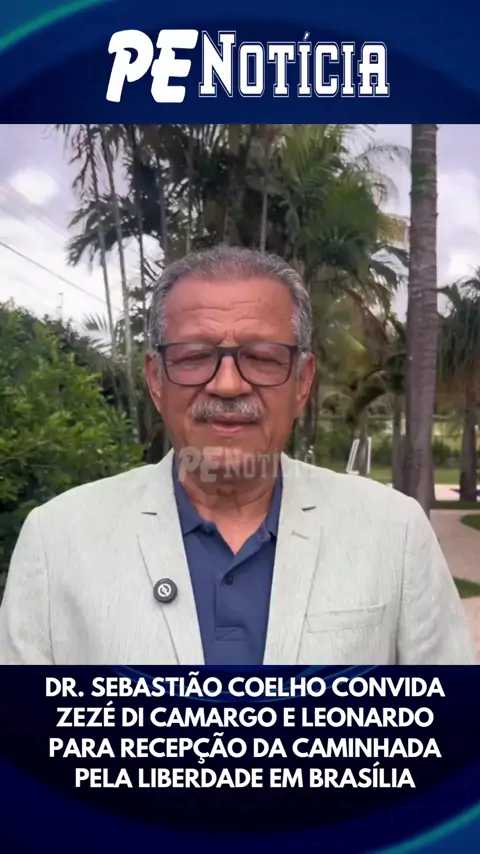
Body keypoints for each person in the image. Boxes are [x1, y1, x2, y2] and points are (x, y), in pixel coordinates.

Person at [0, 246, 476, 665]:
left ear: (302, 382)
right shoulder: (58, 539)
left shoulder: (394, 532)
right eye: (193, 356)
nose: (227, 385)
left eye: (263, 358)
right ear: (156, 380)